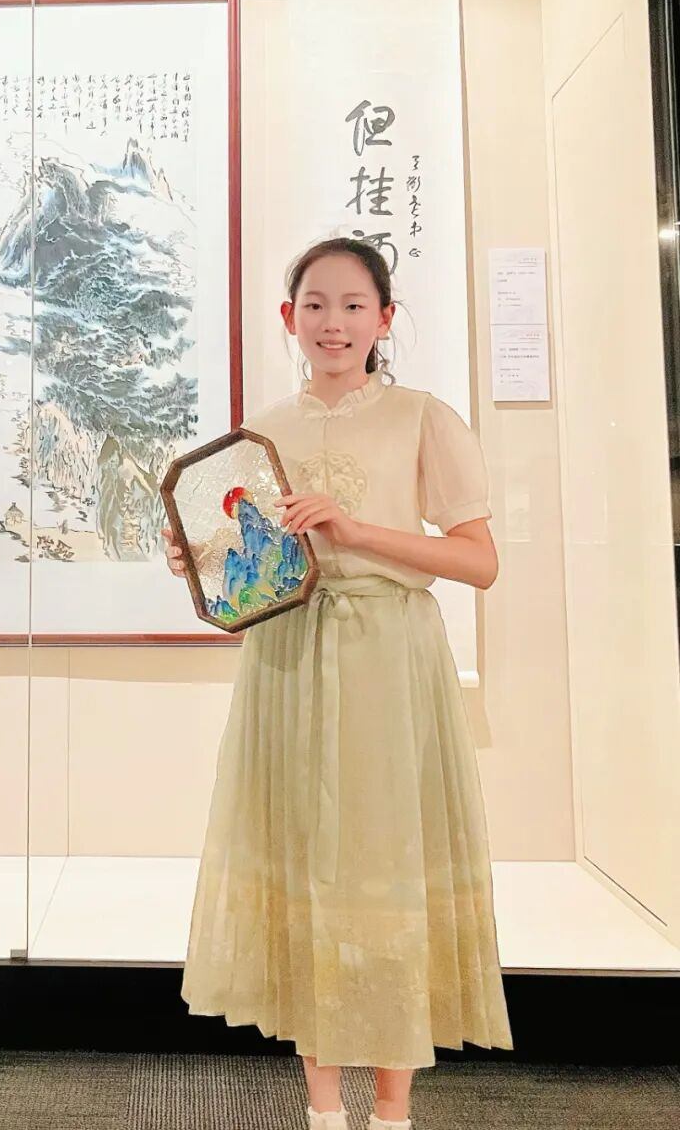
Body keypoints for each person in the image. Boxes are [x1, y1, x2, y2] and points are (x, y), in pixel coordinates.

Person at [162, 237, 512, 1130]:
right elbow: (253, 570)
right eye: (315, 304)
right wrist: (197, 559)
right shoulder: (264, 430)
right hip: (288, 660)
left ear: (384, 319)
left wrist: (356, 533)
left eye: (355, 305)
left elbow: (478, 561)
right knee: (306, 865)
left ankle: (392, 1110)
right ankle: (323, 1109)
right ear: (289, 317)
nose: (334, 323)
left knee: (388, 865)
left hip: (388, 659)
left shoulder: (423, 417)